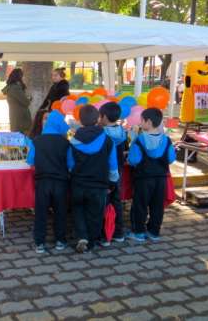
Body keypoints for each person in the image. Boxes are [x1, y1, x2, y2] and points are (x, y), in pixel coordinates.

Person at [67, 105, 120, 253]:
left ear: (80, 121)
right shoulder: (108, 141)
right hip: (99, 186)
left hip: (78, 184)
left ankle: (82, 236)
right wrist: (113, 183)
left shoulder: (73, 141)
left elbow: (70, 164)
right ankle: (91, 242)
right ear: (98, 119)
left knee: (78, 210)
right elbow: (113, 166)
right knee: (95, 214)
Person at [127, 108, 176, 242]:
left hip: (143, 179)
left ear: (148, 122)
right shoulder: (167, 140)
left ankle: (139, 233)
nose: (140, 123)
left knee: (140, 205)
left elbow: (133, 160)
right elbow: (171, 159)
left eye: (141, 120)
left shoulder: (139, 140)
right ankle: (154, 232)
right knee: (157, 205)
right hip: (161, 179)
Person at [26, 110, 71, 253]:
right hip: (61, 183)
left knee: (41, 212)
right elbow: (71, 164)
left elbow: (30, 160)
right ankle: (60, 241)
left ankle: (39, 243)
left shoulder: (36, 141)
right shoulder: (65, 143)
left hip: (42, 182)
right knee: (60, 211)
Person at [98, 102, 128, 245]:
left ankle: (105, 235)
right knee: (116, 202)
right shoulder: (122, 132)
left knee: (104, 203)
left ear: (103, 117)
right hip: (118, 172)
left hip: (104, 173)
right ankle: (118, 233)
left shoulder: (102, 134)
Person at [30, 68, 70, 137]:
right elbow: (47, 99)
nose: (53, 77)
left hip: (59, 112)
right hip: (52, 110)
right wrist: (41, 108)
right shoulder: (54, 86)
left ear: (61, 76)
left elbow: (63, 101)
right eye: (52, 75)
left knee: (55, 129)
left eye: (55, 75)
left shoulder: (64, 87)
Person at [1, 68, 32, 134]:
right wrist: (29, 98)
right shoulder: (15, 88)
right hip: (20, 120)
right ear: (19, 77)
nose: (23, 78)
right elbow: (26, 102)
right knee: (21, 140)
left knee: (17, 138)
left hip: (16, 118)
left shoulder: (11, 87)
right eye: (23, 76)